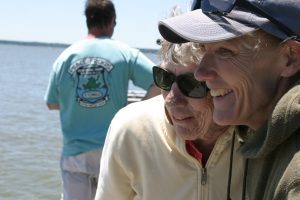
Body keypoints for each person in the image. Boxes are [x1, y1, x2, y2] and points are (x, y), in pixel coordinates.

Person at [158, 0, 300, 199]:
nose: (200, 73)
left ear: (290, 58)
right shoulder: (263, 135)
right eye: (203, 49)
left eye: (225, 51)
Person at [95, 37, 245, 200]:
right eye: (165, 78)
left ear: (223, 87)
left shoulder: (256, 133)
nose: (171, 99)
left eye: (191, 84)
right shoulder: (130, 127)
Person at [44, 0, 159, 199]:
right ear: (112, 21)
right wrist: (135, 111)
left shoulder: (65, 58)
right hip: (114, 148)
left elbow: (52, 103)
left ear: (87, 21)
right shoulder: (125, 53)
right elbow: (160, 81)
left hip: (75, 154)